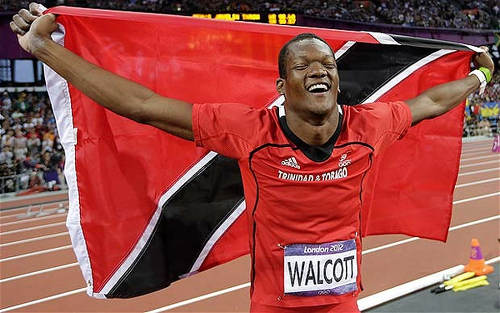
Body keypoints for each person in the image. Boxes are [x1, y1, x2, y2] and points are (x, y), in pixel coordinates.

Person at [10, 3, 494, 313]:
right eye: (302, 65)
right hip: (274, 307)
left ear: (339, 82)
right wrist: (44, 51)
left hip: (343, 303)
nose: (318, 70)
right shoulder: (248, 130)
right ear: (282, 88)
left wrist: (478, 78)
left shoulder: (370, 125)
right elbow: (142, 105)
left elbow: (430, 102)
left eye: (326, 64)